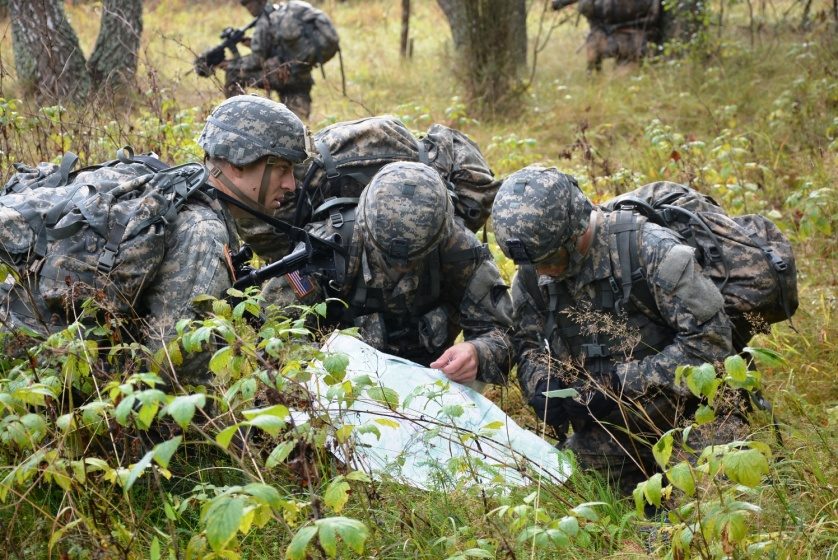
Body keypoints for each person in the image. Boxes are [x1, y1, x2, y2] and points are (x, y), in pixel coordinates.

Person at [0, 94, 307, 385]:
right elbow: (176, 366)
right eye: (281, 168)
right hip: (37, 364)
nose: (291, 184)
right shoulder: (204, 231)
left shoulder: (171, 186)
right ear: (239, 162)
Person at [490, 166, 749, 492]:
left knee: (710, 511)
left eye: (551, 259)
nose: (543, 271)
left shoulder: (650, 250)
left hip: (696, 416)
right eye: (533, 263)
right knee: (554, 497)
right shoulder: (534, 273)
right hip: (611, 429)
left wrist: (616, 384)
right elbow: (526, 343)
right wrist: (540, 384)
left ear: (574, 231)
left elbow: (710, 346)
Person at [266, 161, 514, 386]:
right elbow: (275, 330)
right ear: (364, 228)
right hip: (342, 388)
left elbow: (503, 332)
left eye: (414, 257)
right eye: (384, 255)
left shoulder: (458, 249)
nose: (401, 267)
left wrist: (476, 352)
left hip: (431, 386)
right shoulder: (327, 246)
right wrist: (327, 371)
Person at [224, 0, 316, 120]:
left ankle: (240, 119)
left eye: (248, 3)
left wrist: (231, 64)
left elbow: (256, 60)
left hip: (283, 76)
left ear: (260, 2)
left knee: (233, 74)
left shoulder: (264, 20)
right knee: (298, 123)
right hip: (302, 75)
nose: (247, 7)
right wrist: (252, 44)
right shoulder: (279, 13)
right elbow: (280, 47)